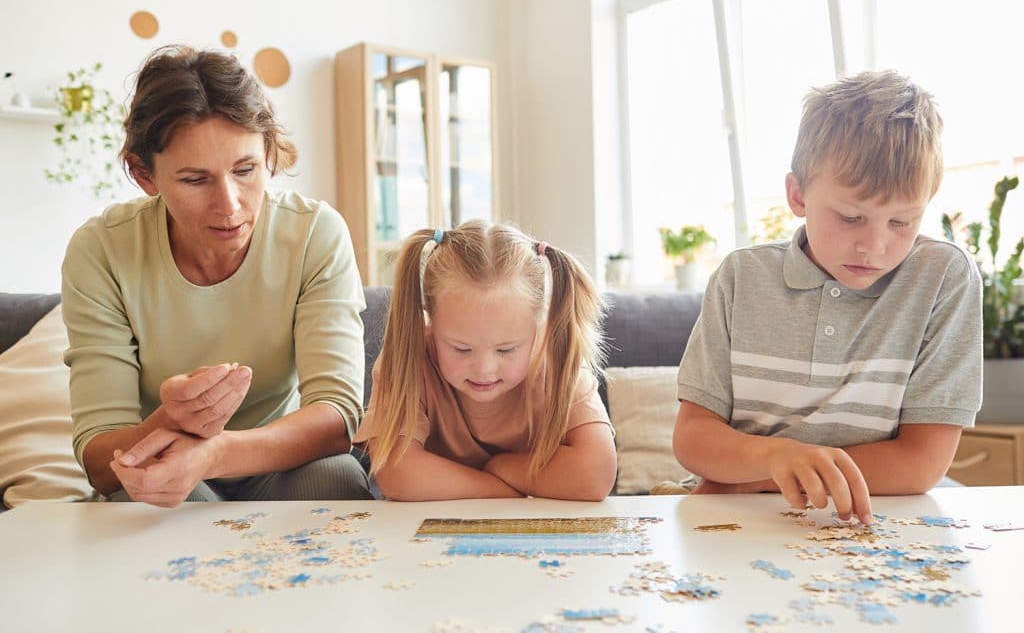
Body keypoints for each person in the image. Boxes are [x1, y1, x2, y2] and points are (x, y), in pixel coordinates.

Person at [61, 45, 372, 507]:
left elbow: (338, 417)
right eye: (194, 180)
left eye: (245, 170)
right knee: (139, 503)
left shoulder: (313, 233)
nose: (229, 205)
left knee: (337, 477)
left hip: (274, 463)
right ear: (144, 174)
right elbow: (99, 460)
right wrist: (169, 422)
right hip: (165, 467)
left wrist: (215, 453)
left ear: (267, 152)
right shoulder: (101, 250)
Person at [669, 70, 982, 524]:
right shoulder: (740, 277)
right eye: (851, 217)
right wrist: (774, 458)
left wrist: (762, 475)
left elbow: (922, 463)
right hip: (735, 515)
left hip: (874, 522)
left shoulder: (944, 277)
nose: (874, 247)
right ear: (797, 194)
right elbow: (693, 439)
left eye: (902, 222)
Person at [353, 221, 617, 501]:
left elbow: (596, 473)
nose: (484, 369)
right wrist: (509, 489)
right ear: (430, 316)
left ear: (538, 325)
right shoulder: (408, 354)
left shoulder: (556, 356)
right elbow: (398, 475)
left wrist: (499, 465)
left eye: (506, 350)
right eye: (461, 349)